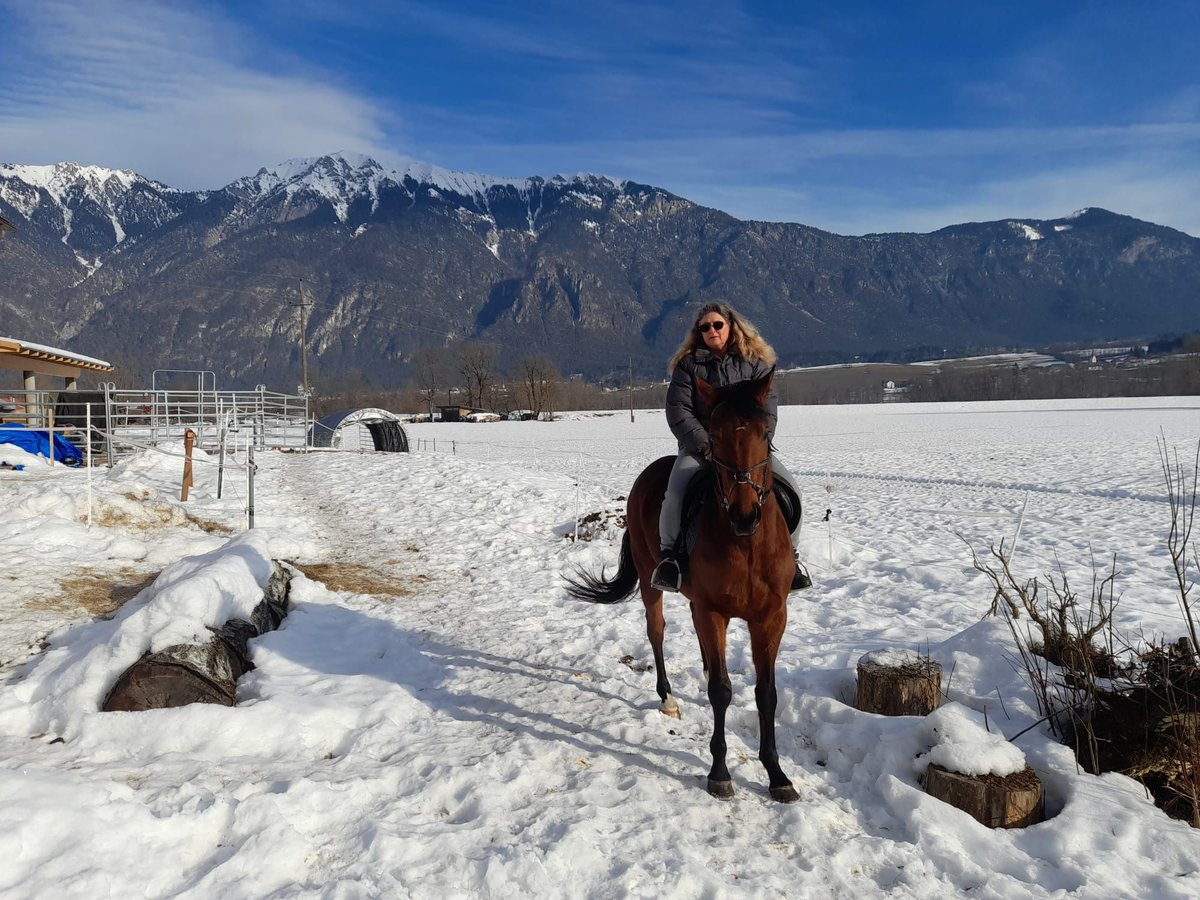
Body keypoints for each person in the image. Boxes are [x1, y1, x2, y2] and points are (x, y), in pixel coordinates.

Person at [650, 301, 812, 593]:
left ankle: (793, 558)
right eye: (705, 327)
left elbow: (768, 409)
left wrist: (758, 443)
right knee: (675, 494)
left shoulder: (754, 362)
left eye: (717, 325)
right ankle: (670, 559)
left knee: (792, 490)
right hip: (702, 450)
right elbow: (678, 412)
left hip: (750, 453)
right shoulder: (688, 366)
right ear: (698, 332)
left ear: (731, 326)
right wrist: (706, 445)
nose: (711, 330)